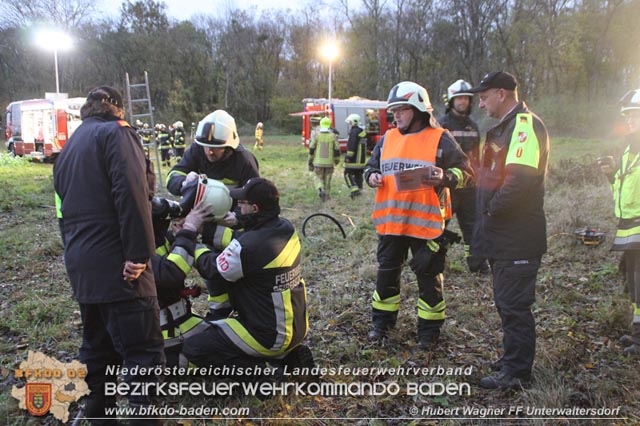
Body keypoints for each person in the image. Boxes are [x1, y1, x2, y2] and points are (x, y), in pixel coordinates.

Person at [53, 86, 164, 423]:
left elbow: (62, 208)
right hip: (121, 268)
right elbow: (132, 194)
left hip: (83, 267)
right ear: (118, 109)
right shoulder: (117, 134)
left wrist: (76, 259)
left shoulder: (70, 145)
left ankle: (99, 418)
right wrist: (139, 254)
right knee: (142, 354)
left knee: (98, 353)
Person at [364, 81, 473, 350]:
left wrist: (445, 176)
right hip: (391, 223)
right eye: (394, 111)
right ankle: (382, 323)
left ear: (418, 109)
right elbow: (370, 167)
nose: (396, 115)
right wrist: (372, 176)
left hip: (426, 225)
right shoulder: (388, 138)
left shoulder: (440, 138)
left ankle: (428, 332)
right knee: (386, 275)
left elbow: (468, 175)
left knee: (428, 280)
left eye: (402, 110)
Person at [176, 178, 314, 381]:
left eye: (242, 203)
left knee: (195, 348)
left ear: (255, 208)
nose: (238, 206)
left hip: (267, 335)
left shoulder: (250, 247)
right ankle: (289, 359)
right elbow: (237, 240)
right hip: (295, 326)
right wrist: (204, 230)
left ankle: (262, 376)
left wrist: (188, 238)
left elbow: (212, 268)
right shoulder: (284, 228)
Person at [467, 71, 550, 389]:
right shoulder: (504, 128)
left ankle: (516, 374)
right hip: (503, 236)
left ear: (502, 94)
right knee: (506, 302)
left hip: (517, 237)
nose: (481, 103)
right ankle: (512, 360)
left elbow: (520, 181)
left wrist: (490, 209)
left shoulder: (524, 126)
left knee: (514, 306)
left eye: (484, 97)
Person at [165, 110, 260, 320]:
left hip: (232, 226)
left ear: (229, 146)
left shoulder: (244, 161)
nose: (209, 152)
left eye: (215, 148)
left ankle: (241, 308)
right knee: (212, 273)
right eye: (206, 147)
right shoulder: (197, 150)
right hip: (202, 222)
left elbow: (257, 200)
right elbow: (173, 176)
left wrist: (238, 217)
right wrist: (184, 182)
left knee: (232, 270)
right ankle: (219, 313)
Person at [599, 88, 640, 357]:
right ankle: (638, 333)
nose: (629, 120)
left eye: (635, 115)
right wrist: (612, 173)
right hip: (629, 228)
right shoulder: (629, 149)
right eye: (627, 116)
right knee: (633, 282)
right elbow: (624, 188)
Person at [438, 79, 489, 274]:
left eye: (466, 99)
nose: (462, 102)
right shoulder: (441, 125)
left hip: (470, 187)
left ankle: (477, 265)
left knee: (474, 228)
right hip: (447, 187)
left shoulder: (473, 126)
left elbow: (477, 155)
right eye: (458, 98)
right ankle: (435, 263)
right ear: (451, 101)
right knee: (439, 227)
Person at [308, 116, 340, 201]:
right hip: (329, 163)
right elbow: (337, 150)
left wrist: (310, 160)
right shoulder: (333, 136)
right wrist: (337, 160)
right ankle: (327, 196)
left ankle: (320, 188)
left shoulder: (317, 136)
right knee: (328, 179)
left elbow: (311, 149)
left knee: (318, 177)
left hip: (318, 162)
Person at [343, 113, 368, 199]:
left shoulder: (354, 132)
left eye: (350, 122)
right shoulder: (362, 132)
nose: (349, 124)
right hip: (361, 160)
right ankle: (359, 189)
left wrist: (348, 157)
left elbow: (351, 145)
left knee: (347, 173)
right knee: (358, 175)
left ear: (354, 122)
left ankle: (354, 190)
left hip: (354, 160)